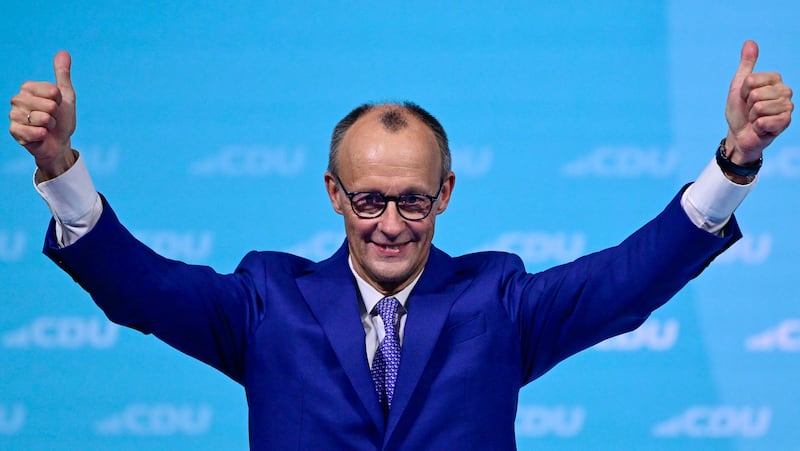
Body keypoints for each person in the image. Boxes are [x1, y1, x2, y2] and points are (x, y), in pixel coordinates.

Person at [8, 40, 793, 450]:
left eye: (414, 200)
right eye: (369, 199)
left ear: (446, 193)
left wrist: (736, 161)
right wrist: (60, 166)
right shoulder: (264, 303)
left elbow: (629, 279)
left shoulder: (500, 302)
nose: (390, 222)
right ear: (332, 194)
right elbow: (139, 285)